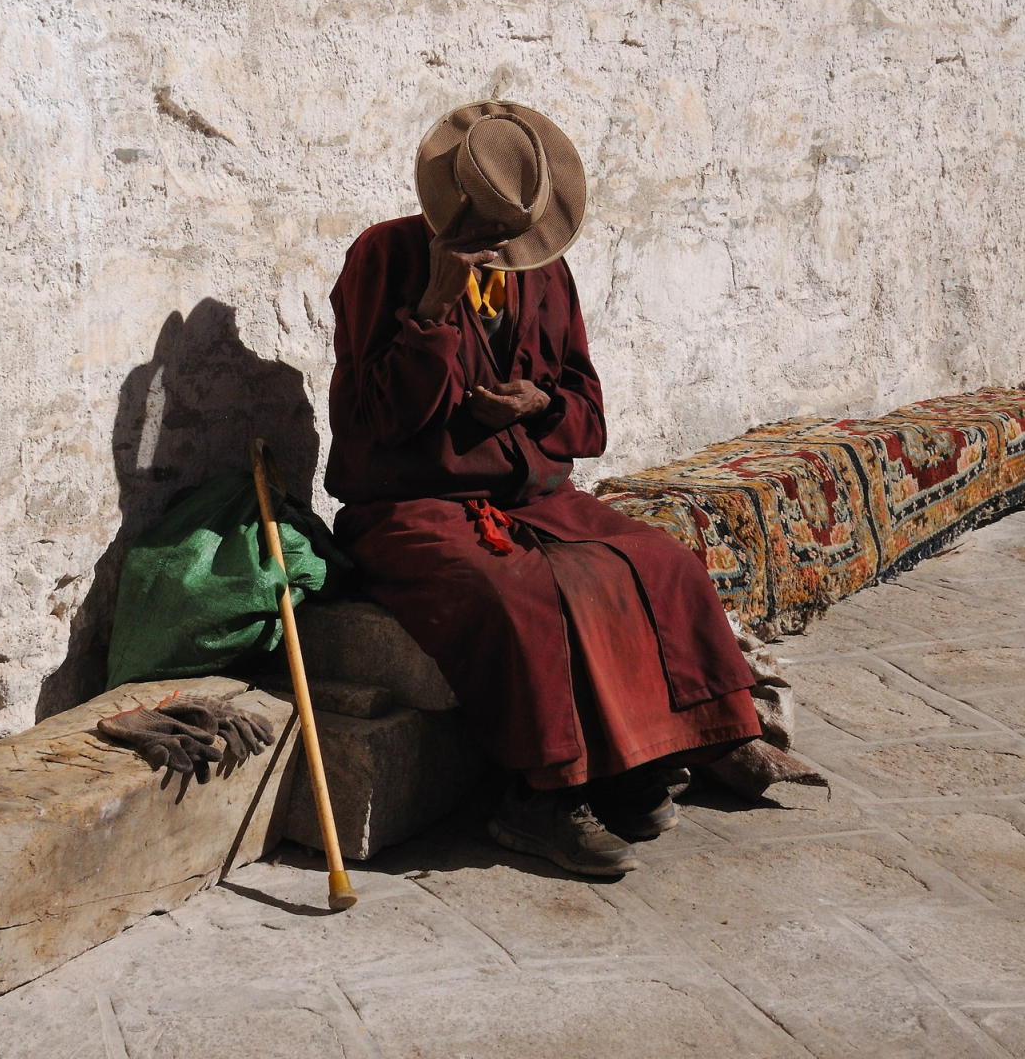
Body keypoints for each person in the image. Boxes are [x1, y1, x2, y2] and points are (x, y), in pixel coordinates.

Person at [324, 101, 767, 876]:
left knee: (662, 565)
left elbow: (587, 415)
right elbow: (370, 420)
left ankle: (643, 763)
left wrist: (539, 404)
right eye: (490, 230)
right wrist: (432, 308)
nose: (503, 249)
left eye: (514, 233)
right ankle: (541, 799)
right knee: (521, 600)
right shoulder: (384, 257)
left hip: (531, 495)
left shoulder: (545, 271)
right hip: (409, 505)